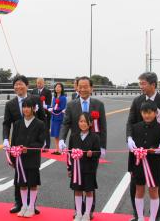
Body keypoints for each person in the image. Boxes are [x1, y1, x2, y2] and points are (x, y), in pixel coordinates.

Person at [126, 72, 160, 221]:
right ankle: (138, 215)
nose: (141, 87)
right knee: (136, 185)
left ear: (153, 84)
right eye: (140, 83)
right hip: (137, 152)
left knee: (155, 185)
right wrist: (129, 138)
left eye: (143, 84)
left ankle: (156, 215)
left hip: (155, 151)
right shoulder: (137, 101)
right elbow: (130, 122)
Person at [59, 76, 106, 218]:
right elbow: (66, 123)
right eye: (81, 86)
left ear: (91, 88)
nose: (83, 89)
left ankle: (89, 211)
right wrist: (62, 139)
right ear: (76, 87)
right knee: (77, 178)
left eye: (86, 86)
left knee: (90, 179)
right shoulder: (71, 104)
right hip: (76, 147)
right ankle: (78, 211)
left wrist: (102, 147)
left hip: (93, 146)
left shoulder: (98, 104)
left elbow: (103, 127)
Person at [3, 74, 45, 214]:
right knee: (19, 173)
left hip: (33, 146)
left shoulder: (36, 100)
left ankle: (32, 204)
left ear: (27, 85)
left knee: (32, 175)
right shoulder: (10, 104)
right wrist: (5, 139)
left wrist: (44, 142)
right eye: (16, 84)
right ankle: (19, 203)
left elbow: (43, 120)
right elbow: (6, 124)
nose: (18, 86)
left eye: (21, 84)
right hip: (18, 144)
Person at [129, 101, 160, 221]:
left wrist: (156, 150)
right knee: (139, 189)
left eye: (150, 113)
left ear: (155, 113)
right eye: (144, 113)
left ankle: (152, 218)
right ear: (141, 113)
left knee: (154, 190)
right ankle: (139, 217)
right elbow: (131, 150)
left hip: (154, 165)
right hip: (138, 165)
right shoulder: (135, 128)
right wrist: (130, 168)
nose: (147, 115)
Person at [10, 97, 45, 218]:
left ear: (33, 108)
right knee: (22, 183)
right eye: (23, 107)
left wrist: (28, 148)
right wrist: (12, 157)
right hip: (19, 159)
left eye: (28, 107)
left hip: (33, 159)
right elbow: (13, 141)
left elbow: (41, 142)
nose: (25, 109)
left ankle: (31, 207)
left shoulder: (40, 123)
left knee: (33, 183)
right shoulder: (18, 123)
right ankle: (24, 206)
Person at [68, 113, 101, 221]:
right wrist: (69, 168)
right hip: (76, 169)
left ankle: (87, 213)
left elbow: (98, 152)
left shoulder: (95, 137)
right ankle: (78, 213)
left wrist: (93, 153)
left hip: (89, 169)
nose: (83, 124)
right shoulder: (73, 136)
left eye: (85, 122)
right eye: (81, 121)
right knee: (77, 190)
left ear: (90, 123)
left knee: (88, 191)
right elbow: (69, 153)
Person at [31, 77, 52, 150]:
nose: (38, 84)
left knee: (46, 129)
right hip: (36, 114)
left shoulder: (48, 91)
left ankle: (47, 145)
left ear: (43, 83)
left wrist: (44, 107)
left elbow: (48, 103)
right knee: (36, 129)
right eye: (37, 83)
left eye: (40, 83)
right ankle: (38, 144)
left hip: (45, 113)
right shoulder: (34, 91)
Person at [48, 82, 67, 154]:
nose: (57, 88)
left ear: (62, 88)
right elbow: (52, 106)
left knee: (60, 134)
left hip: (60, 117)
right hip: (54, 117)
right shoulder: (54, 97)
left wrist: (55, 109)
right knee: (55, 134)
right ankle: (57, 149)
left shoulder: (63, 97)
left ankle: (62, 148)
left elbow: (62, 107)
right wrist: (50, 108)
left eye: (59, 87)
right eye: (56, 87)